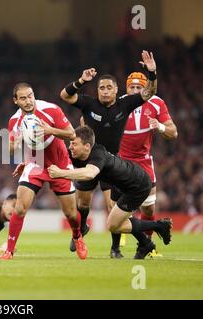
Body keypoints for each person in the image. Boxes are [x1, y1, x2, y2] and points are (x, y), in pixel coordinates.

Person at [59, 50, 158, 257]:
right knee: (82, 203)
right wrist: (80, 81)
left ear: (116, 90)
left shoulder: (126, 103)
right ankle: (82, 227)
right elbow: (65, 95)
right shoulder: (89, 103)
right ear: (97, 90)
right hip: (88, 159)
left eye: (109, 88)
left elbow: (149, 93)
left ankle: (115, 249)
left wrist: (152, 73)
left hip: (111, 163)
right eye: (101, 88)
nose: (105, 91)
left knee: (112, 205)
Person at [48, 126, 173, 259]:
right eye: (70, 143)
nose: (70, 147)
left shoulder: (98, 155)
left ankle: (159, 226)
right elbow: (58, 153)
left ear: (87, 146)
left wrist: (60, 173)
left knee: (113, 225)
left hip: (137, 186)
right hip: (121, 184)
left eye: (74, 144)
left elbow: (90, 174)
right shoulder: (79, 153)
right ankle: (146, 243)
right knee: (118, 219)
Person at [0, 83, 88, 261]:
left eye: (30, 96)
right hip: (35, 164)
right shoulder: (14, 121)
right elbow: (10, 149)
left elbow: (71, 134)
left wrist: (49, 130)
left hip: (59, 164)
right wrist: (13, 146)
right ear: (16, 101)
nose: (28, 100)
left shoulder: (50, 109)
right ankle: (9, 250)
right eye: (23, 98)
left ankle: (77, 235)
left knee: (70, 214)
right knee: (20, 207)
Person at [114, 72, 178, 257]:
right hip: (122, 162)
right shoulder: (119, 104)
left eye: (138, 87)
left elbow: (173, 133)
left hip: (143, 161)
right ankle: (119, 247)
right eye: (131, 87)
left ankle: (144, 247)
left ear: (145, 89)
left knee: (148, 208)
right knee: (120, 208)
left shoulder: (157, 103)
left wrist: (160, 126)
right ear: (126, 89)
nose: (135, 91)